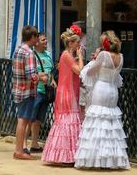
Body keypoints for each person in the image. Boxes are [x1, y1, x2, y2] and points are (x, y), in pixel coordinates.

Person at [74, 30, 130, 169]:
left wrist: (90, 64)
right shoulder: (121, 57)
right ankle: (112, 160)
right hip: (113, 91)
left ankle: (96, 159)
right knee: (110, 123)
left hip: (101, 89)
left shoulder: (104, 55)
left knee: (97, 120)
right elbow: (117, 77)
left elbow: (90, 72)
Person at [41, 25, 84, 164]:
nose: (79, 44)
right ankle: (63, 156)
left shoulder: (67, 56)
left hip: (69, 91)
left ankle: (69, 156)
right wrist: (80, 57)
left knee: (68, 121)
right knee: (67, 122)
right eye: (77, 42)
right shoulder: (66, 55)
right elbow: (79, 71)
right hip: (67, 93)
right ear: (71, 43)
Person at [12, 26, 47, 160]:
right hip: (26, 91)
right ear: (32, 37)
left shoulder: (18, 50)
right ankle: (19, 151)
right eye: (36, 36)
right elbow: (30, 74)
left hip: (18, 89)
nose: (37, 39)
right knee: (23, 121)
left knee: (22, 120)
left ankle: (19, 149)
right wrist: (41, 77)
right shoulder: (29, 53)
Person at [23, 33, 56, 154]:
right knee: (30, 118)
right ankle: (24, 144)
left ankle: (35, 143)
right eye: (43, 40)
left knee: (38, 120)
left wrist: (52, 80)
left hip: (45, 91)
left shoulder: (48, 55)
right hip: (35, 91)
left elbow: (50, 71)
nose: (46, 41)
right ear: (37, 42)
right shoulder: (32, 55)